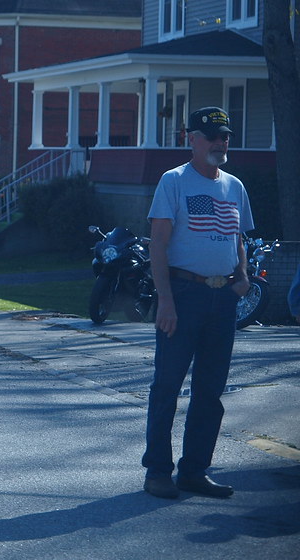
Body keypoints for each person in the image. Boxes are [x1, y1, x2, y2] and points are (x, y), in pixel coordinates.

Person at [142, 106, 254, 500]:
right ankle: (157, 472)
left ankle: (194, 471)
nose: (221, 143)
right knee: (167, 387)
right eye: (212, 136)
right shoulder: (174, 182)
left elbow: (237, 237)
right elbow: (158, 244)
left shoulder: (234, 186)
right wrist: (166, 301)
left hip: (221, 300)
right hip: (183, 295)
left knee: (210, 391)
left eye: (225, 136)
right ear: (192, 139)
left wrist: (240, 278)